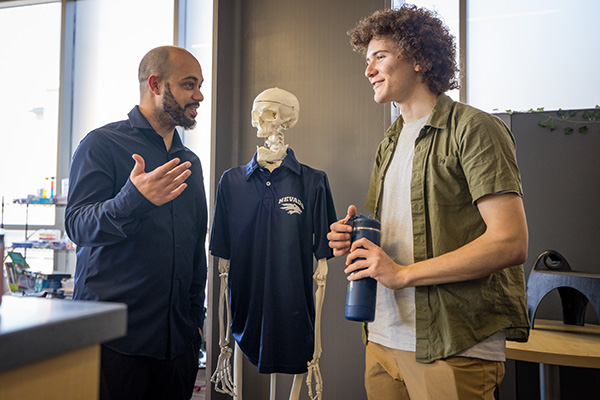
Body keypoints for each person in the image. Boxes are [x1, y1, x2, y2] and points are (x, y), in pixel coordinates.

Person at [328, 5, 530, 400]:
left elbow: (510, 242)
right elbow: (392, 235)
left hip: (453, 345)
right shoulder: (389, 141)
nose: (368, 70)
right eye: (367, 60)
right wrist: (353, 238)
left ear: (420, 58)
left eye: (380, 56)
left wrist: (403, 274)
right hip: (383, 338)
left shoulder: (474, 128)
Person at [65, 45, 208, 400]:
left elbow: (194, 250)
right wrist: (134, 199)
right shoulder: (101, 144)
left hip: (178, 346)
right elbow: (78, 225)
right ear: (156, 84)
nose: (199, 95)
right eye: (189, 85)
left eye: (200, 85)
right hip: (116, 345)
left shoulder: (190, 162)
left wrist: (194, 325)